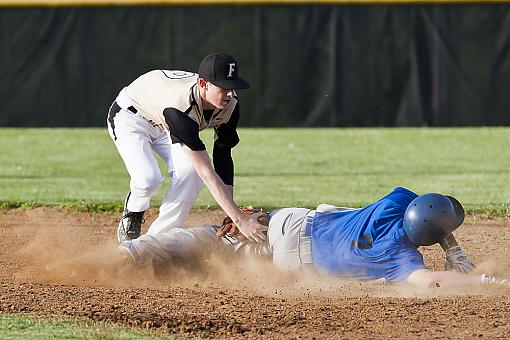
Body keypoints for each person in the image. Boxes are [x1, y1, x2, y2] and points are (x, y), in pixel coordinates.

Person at [118, 187, 510, 289]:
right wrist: (485, 280)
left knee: (218, 240)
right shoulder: (403, 260)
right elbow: (434, 280)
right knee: (230, 266)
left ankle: (134, 254)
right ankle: (175, 269)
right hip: (295, 265)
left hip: (289, 226)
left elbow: (426, 208)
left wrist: (450, 243)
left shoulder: (396, 203)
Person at [107, 52, 267, 244]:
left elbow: (223, 152)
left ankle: (153, 242)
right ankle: (133, 212)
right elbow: (207, 172)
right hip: (132, 116)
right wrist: (239, 219)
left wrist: (230, 211)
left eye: (233, 86)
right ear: (203, 84)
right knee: (148, 179)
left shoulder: (231, 104)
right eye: (224, 87)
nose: (231, 93)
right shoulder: (180, 109)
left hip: (165, 121)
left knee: (190, 174)